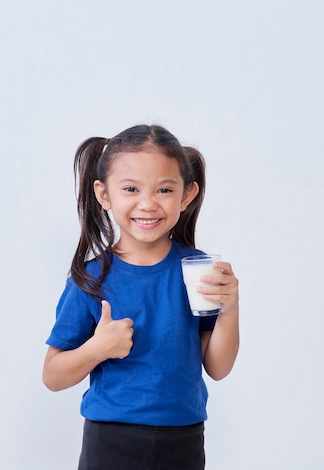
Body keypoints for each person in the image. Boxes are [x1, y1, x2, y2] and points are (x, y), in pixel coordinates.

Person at [43, 124, 240, 469]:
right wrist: (97, 349)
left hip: (184, 440)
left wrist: (229, 309)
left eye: (164, 189)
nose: (147, 204)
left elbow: (218, 368)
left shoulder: (198, 272)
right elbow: (53, 376)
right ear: (104, 195)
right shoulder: (90, 279)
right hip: (110, 441)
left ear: (187, 195)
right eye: (131, 188)